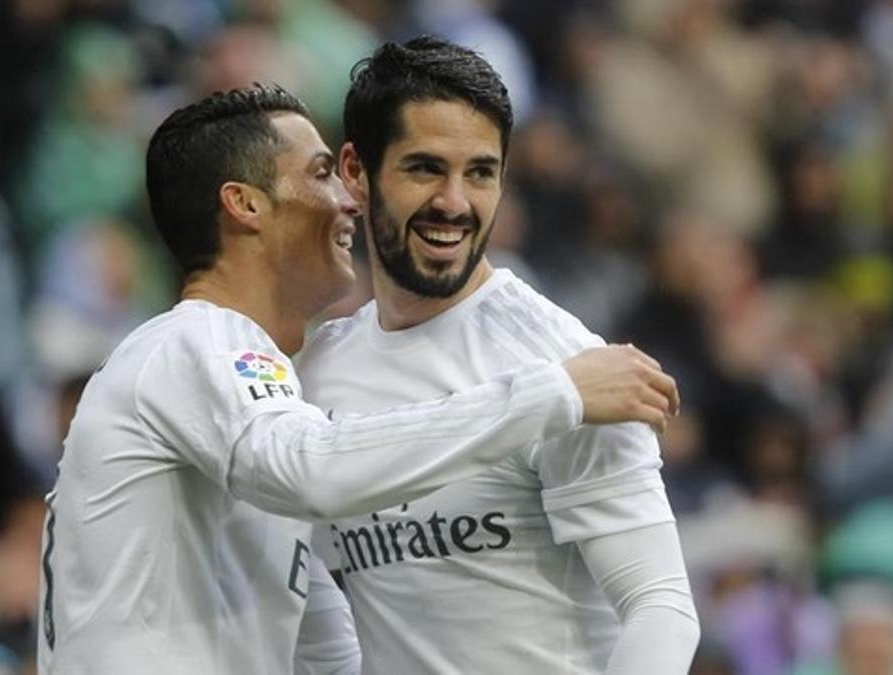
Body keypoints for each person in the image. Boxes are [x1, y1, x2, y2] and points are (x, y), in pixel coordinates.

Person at [39, 85, 680, 674]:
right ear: (245, 204)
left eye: (481, 171)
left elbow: (325, 647)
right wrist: (555, 392)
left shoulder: (273, 398)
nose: (349, 199)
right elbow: (312, 470)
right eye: (321, 174)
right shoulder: (195, 343)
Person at [297, 37, 701, 673]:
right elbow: (309, 591)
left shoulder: (573, 365)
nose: (455, 203)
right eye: (425, 168)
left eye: (480, 172)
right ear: (355, 170)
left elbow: (661, 606)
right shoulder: (317, 371)